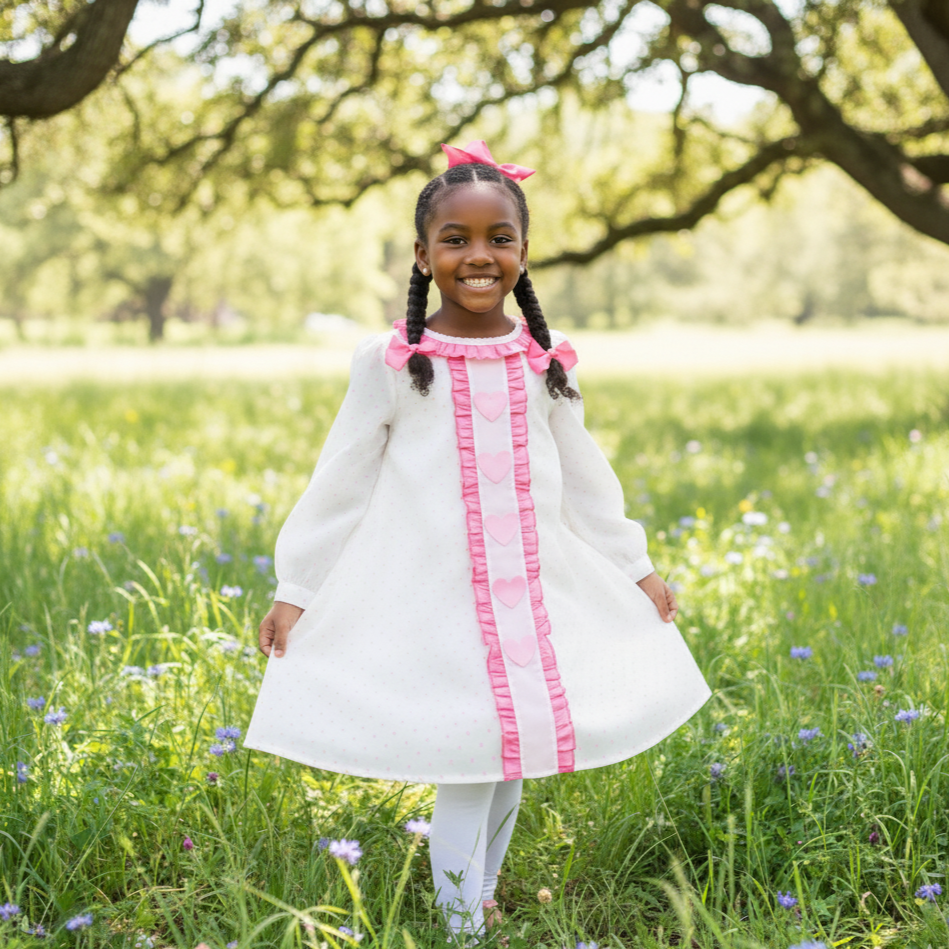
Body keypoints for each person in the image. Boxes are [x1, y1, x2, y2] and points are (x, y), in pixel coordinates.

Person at [242, 140, 712, 943]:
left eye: (498, 236)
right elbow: (341, 479)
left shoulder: (541, 359)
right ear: (423, 255)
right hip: (440, 601)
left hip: (532, 595)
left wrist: (635, 568)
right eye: (454, 239)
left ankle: (483, 891)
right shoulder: (393, 360)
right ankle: (460, 925)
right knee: (470, 759)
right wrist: (298, 586)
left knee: (511, 758)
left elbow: (586, 477)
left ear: (523, 252)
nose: (478, 254)